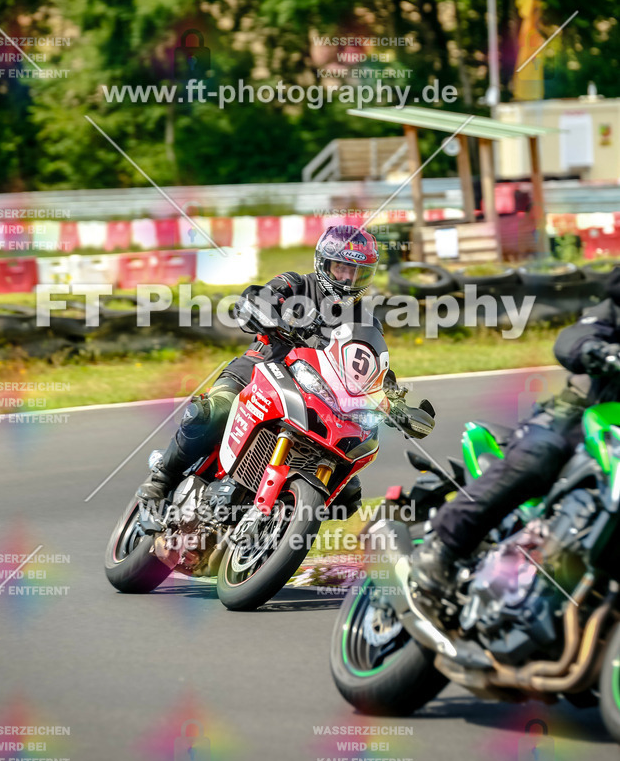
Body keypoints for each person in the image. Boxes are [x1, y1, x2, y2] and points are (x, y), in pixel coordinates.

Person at [136, 223, 392, 518]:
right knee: (214, 412)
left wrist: (393, 399)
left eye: (357, 272)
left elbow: (374, 366)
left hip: (315, 397)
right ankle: (161, 479)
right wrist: (268, 315)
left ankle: (276, 533)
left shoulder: (366, 321)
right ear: (324, 263)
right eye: (341, 268)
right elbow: (257, 298)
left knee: (348, 492)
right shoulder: (297, 284)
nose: (348, 278)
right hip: (257, 371)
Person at [413, 265, 620, 595]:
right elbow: (574, 337)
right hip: (580, 416)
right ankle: (443, 545)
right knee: (540, 455)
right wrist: (594, 349)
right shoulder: (613, 310)